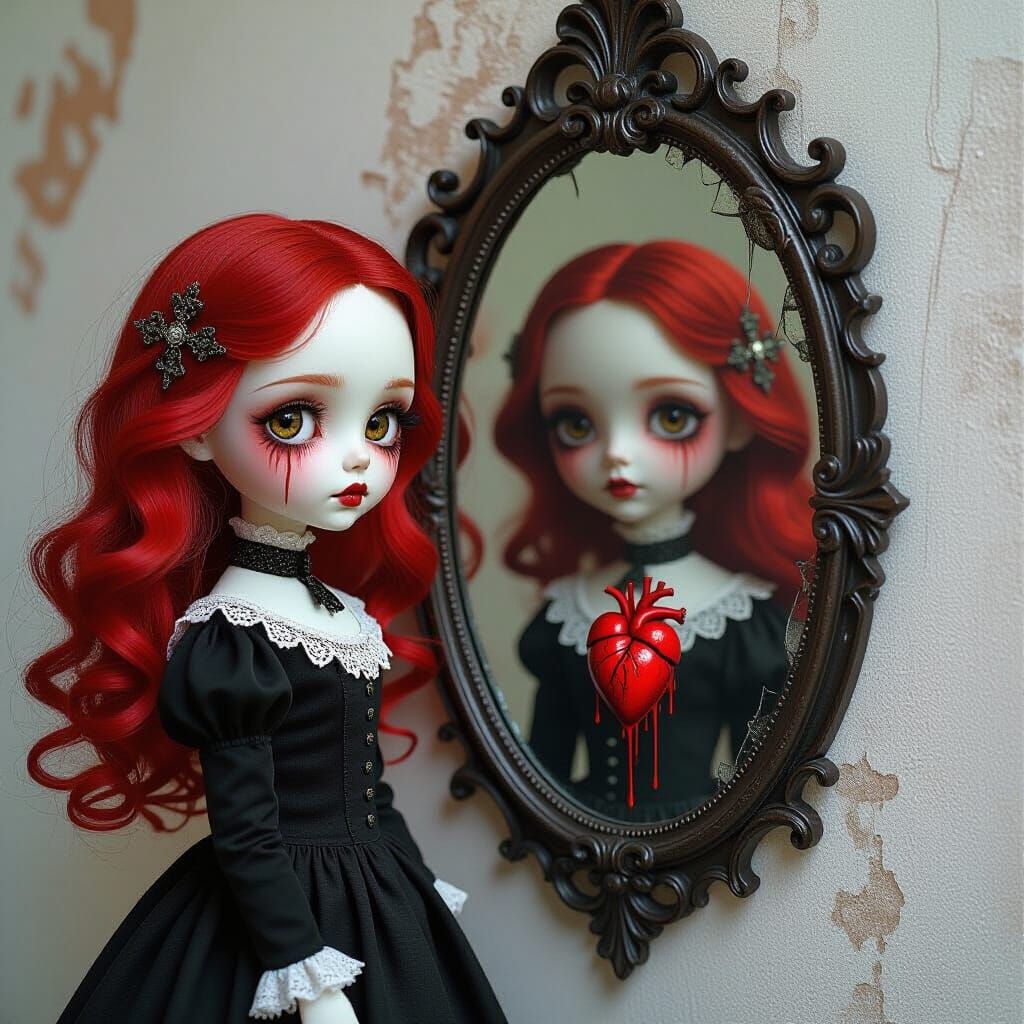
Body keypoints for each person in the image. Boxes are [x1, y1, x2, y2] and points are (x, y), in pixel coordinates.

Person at [25, 214, 507, 1023]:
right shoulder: (233, 635)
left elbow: (366, 789)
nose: (356, 458)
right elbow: (247, 833)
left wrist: (417, 891)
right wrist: (308, 980)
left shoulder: (339, 614)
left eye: (381, 423)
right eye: (293, 419)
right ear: (197, 427)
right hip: (278, 926)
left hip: (372, 894)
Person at [493, 240, 814, 820]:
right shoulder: (567, 611)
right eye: (575, 423)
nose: (617, 454)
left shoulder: (740, 619)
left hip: (697, 846)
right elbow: (543, 767)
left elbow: (759, 779)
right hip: (574, 842)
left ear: (739, 420)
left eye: (671, 416)